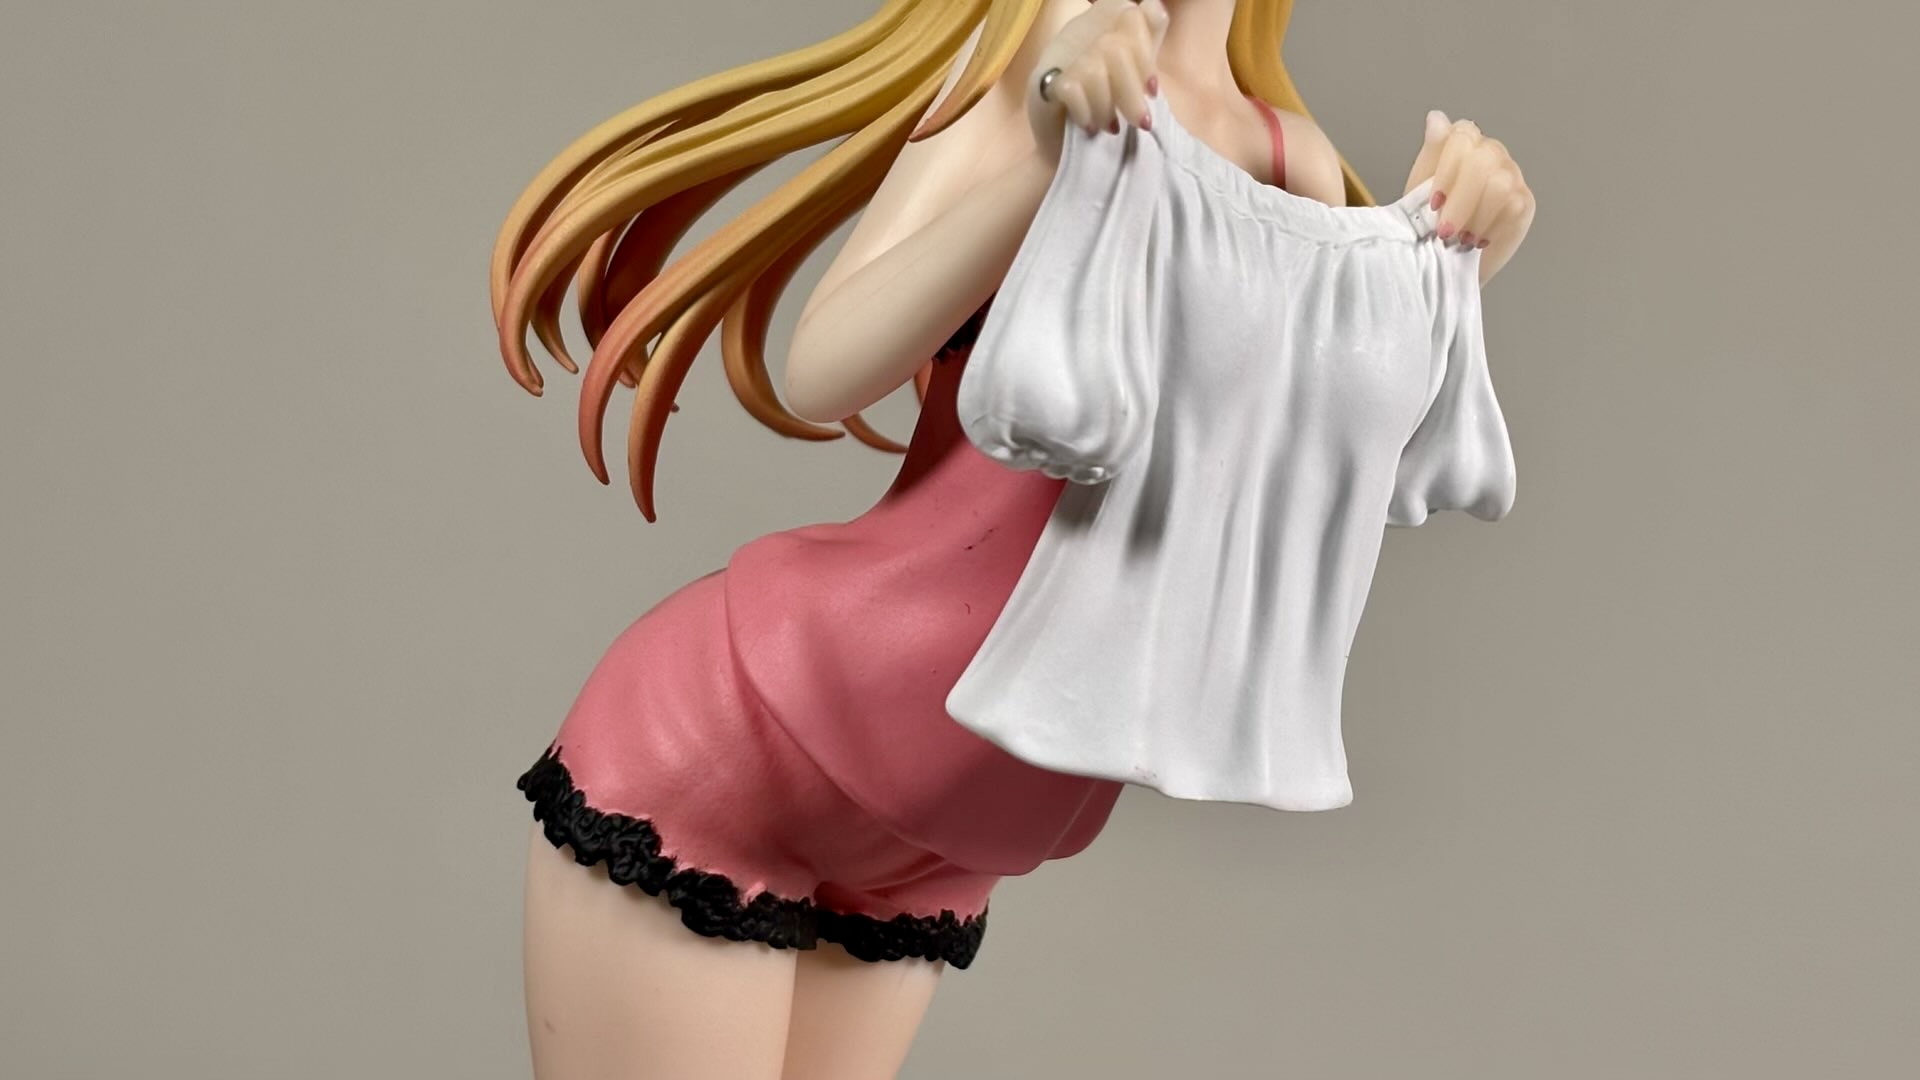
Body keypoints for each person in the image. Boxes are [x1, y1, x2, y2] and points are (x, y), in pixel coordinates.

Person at [489, 1, 1536, 1075]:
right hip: (747, 736)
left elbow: (1304, 476)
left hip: (948, 842)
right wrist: (1048, 155)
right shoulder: (1033, 70)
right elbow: (821, 371)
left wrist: (1453, 266)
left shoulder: (1289, 158)